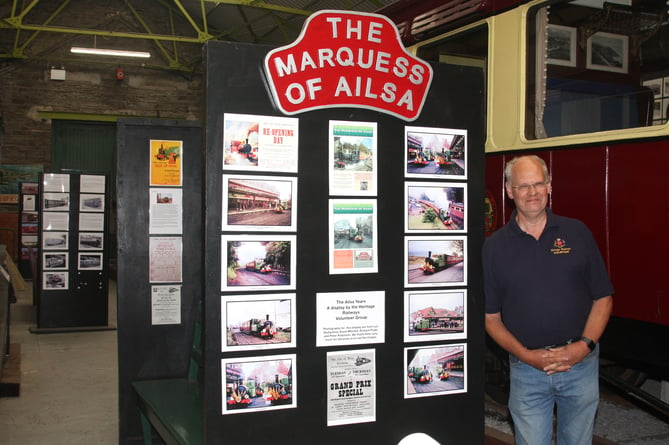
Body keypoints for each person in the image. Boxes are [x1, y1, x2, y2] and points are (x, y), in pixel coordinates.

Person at [482, 155, 613, 445]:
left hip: (579, 366)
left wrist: (583, 346)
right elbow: (489, 318)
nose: (532, 192)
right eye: (523, 186)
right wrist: (526, 355)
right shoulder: (494, 248)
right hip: (527, 370)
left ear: (549, 187)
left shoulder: (577, 233)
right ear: (509, 191)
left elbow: (603, 298)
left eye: (538, 184)